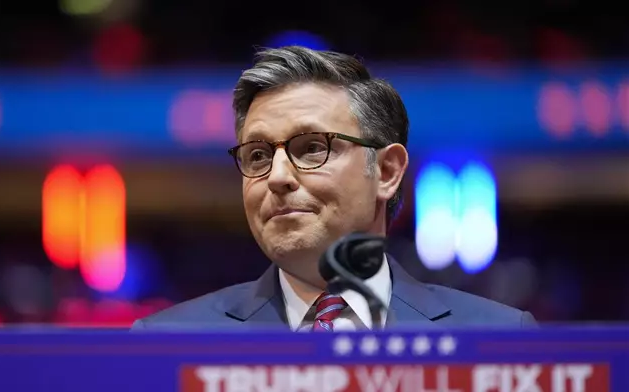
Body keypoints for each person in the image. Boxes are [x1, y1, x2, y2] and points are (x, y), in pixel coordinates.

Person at [132, 46, 537, 331]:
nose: (276, 177)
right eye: (257, 156)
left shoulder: (497, 338)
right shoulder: (169, 344)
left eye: (312, 148)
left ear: (387, 171)